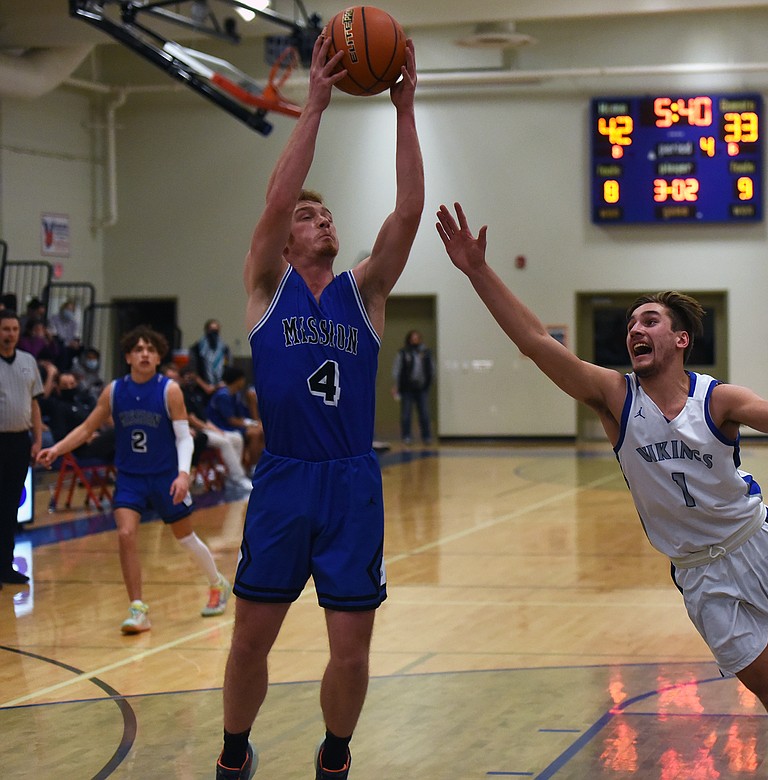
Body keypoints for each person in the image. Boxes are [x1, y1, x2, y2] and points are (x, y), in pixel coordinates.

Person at [437, 202, 768, 780]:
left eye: (651, 321)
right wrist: (477, 271)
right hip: (698, 572)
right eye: (632, 323)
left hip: (754, 542)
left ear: (680, 338)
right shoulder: (615, 396)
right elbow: (537, 342)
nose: (636, 328)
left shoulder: (718, 399)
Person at [215, 31, 422, 780]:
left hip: (351, 482)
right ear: (286, 240)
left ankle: (334, 754)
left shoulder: (361, 293)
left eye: (326, 216)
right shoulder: (266, 290)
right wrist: (317, 105)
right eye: (310, 218)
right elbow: (275, 201)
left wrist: (404, 109)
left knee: (351, 649)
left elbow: (406, 212)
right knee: (249, 640)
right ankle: (235, 749)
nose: (321, 221)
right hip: (284, 479)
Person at [37, 326, 230, 632]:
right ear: (127, 356)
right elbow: (88, 429)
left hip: (166, 476)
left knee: (185, 538)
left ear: (158, 356)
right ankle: (138, 609)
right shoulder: (114, 391)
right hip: (130, 477)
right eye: (138, 349)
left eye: (150, 350)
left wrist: (183, 474)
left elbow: (185, 438)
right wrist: (57, 449)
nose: (144, 354)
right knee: (126, 535)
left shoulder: (169, 390)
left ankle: (217, 582)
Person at [0, 309, 43, 584]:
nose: (10, 334)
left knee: (10, 507)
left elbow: (35, 403)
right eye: (5, 329)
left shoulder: (28, 361)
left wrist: (37, 440)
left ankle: (6, 565)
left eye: (15, 329)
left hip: (19, 442)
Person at [164, 364, 252, 494]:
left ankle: (230, 476)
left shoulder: (194, 393)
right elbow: (192, 419)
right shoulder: (178, 393)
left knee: (237, 438)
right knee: (225, 442)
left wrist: (216, 430)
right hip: (196, 431)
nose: (190, 378)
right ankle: (238, 477)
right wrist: (211, 430)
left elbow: (205, 419)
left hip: (206, 428)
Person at [206, 366, 264, 470]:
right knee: (255, 434)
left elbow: (240, 416)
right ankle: (253, 467)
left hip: (234, 424)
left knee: (261, 430)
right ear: (238, 380)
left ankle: (258, 463)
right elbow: (231, 420)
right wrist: (251, 424)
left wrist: (254, 423)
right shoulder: (223, 395)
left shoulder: (235, 394)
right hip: (221, 426)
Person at [391, 329, 433, 443]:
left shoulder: (426, 353)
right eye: (412, 338)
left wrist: (429, 382)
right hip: (407, 388)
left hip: (422, 388)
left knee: (424, 413)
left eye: (417, 338)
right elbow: (397, 370)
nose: (415, 340)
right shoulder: (403, 353)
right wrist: (396, 385)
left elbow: (431, 369)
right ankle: (406, 436)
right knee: (406, 414)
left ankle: (426, 436)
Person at [189, 319, 231, 404]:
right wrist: (206, 387)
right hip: (202, 388)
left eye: (216, 330)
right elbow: (193, 370)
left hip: (220, 388)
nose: (214, 333)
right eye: (211, 330)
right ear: (206, 330)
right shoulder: (197, 348)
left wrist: (221, 384)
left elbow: (228, 367)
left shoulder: (224, 349)